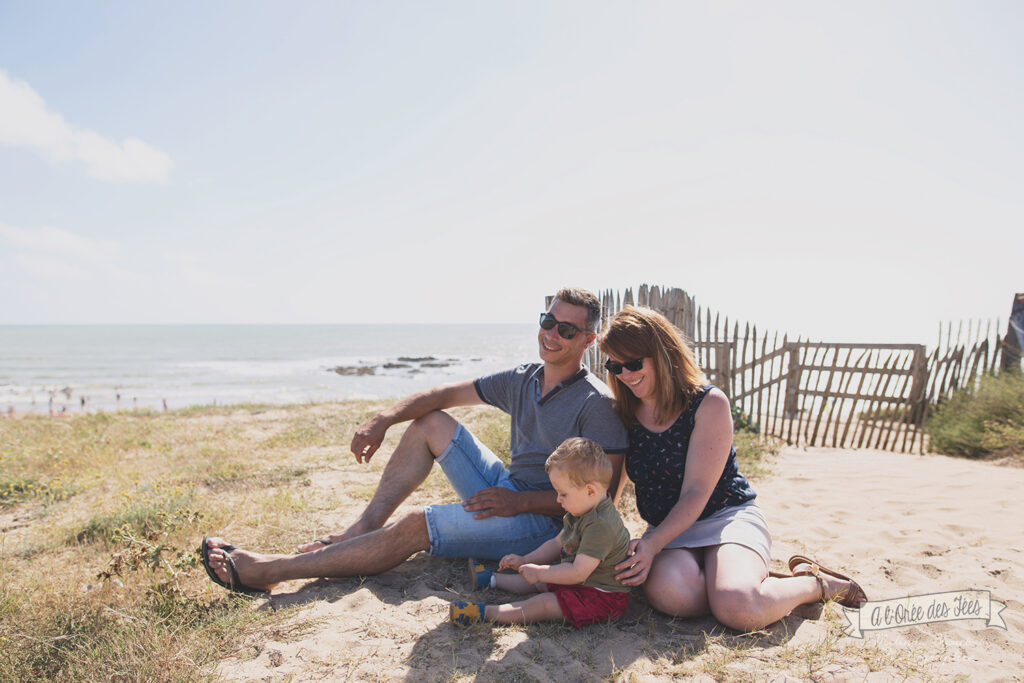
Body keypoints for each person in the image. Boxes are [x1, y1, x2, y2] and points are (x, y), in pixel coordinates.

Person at [201, 288, 628, 595]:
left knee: (416, 525)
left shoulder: (596, 404)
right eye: (547, 321)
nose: (552, 334)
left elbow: (604, 496)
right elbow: (441, 396)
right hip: (508, 491)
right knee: (430, 422)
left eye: (566, 330)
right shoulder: (523, 379)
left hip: (548, 523)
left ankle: (270, 570)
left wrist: (520, 504)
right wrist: (382, 420)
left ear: (588, 341)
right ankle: (364, 527)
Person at [597, 306, 867, 632]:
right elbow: (611, 487)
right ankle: (739, 581)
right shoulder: (623, 413)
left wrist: (652, 545)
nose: (625, 374)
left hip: (725, 518)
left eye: (634, 363)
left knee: (738, 608)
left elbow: (697, 491)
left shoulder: (708, 403)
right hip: (672, 531)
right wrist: (595, 538)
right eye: (615, 365)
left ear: (662, 354)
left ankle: (816, 584)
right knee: (671, 596)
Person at [450, 437, 631, 628]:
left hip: (600, 596)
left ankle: (483, 612)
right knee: (538, 580)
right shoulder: (581, 509)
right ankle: (491, 579)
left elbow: (577, 572)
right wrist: (526, 560)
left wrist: (540, 572)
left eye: (563, 494)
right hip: (581, 581)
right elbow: (556, 543)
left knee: (543, 602)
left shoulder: (600, 526)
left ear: (590, 491)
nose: (558, 500)